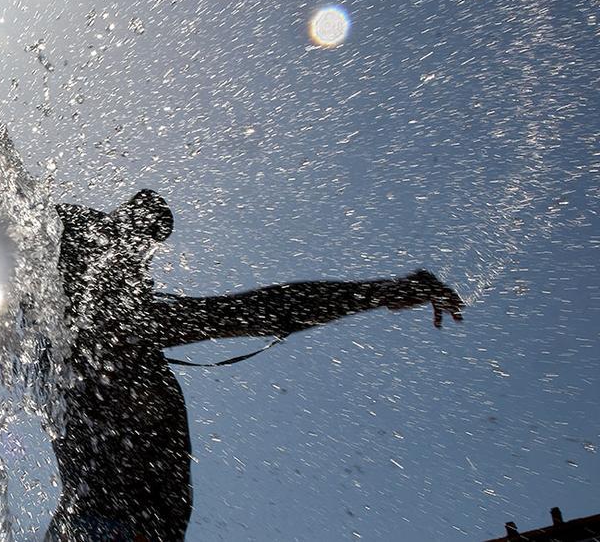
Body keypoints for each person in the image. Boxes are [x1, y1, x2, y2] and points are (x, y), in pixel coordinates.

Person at [46, 189, 464, 541]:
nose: (144, 267)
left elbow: (267, 309)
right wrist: (382, 293)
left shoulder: (96, 334)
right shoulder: (117, 327)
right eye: (135, 253)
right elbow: (269, 308)